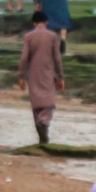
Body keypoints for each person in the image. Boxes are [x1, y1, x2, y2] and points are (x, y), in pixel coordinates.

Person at [17, 10, 65, 144]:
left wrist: (21, 76)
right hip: (48, 73)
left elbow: (24, 57)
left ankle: (40, 129)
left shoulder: (28, 37)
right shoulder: (52, 36)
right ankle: (44, 124)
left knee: (36, 102)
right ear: (46, 22)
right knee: (48, 102)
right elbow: (57, 58)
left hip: (33, 74)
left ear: (33, 23)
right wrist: (60, 76)